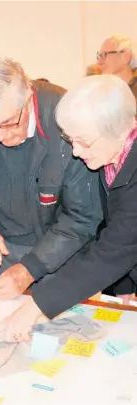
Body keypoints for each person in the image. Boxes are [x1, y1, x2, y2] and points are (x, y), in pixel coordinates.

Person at [0, 74, 137, 343]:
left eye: (84, 142)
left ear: (120, 129)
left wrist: (35, 307)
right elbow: (115, 231)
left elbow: (112, 251)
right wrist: (125, 286)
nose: (77, 152)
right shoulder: (112, 153)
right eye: (70, 140)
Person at [0, 54, 102, 299]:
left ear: (28, 98)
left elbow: (82, 217)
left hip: (63, 251)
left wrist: (29, 269)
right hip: (4, 248)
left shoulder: (66, 120)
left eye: (8, 123)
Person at [97, 34, 137, 302]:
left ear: (125, 56)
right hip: (112, 228)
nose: (100, 62)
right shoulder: (99, 95)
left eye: (104, 55)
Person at [97, 34, 137, 99]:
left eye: (104, 55)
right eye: (99, 56)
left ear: (125, 56)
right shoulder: (102, 93)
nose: (98, 62)